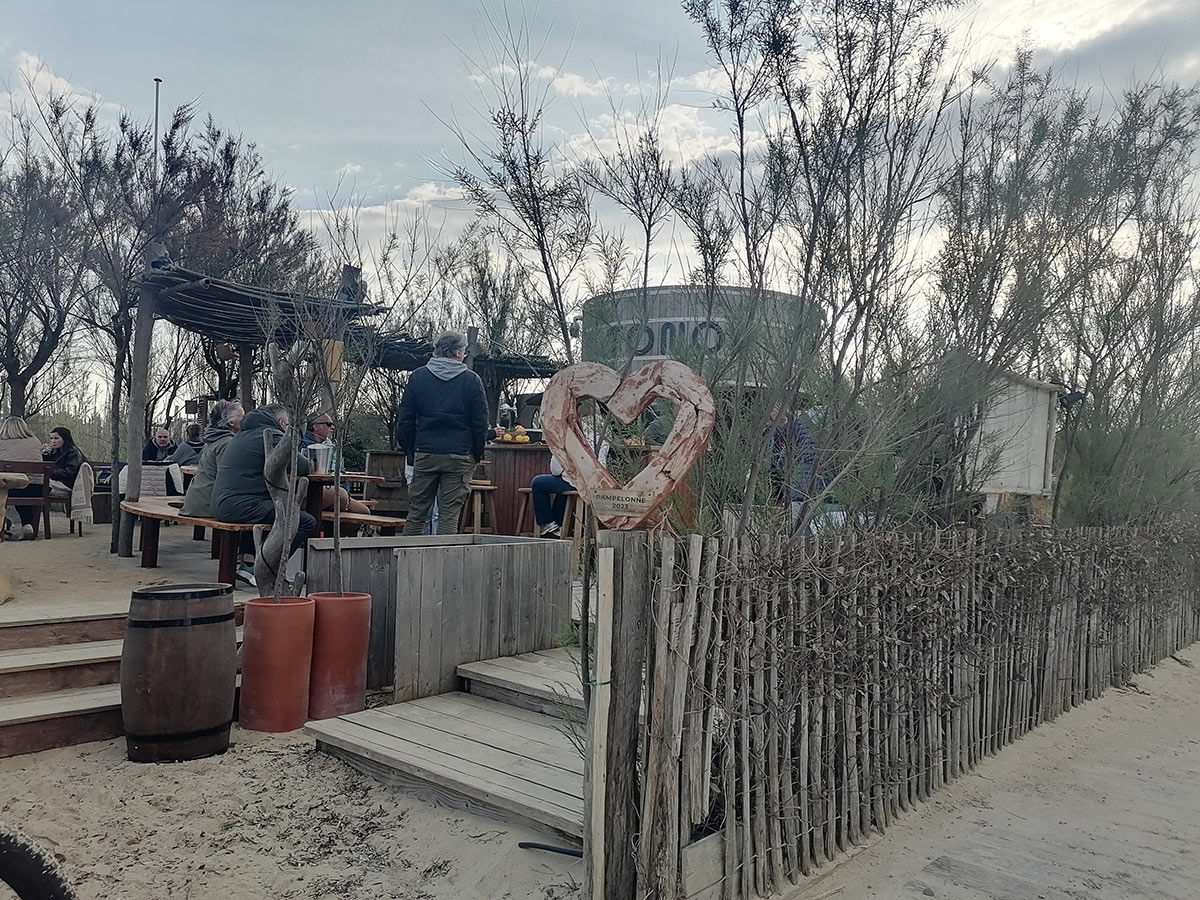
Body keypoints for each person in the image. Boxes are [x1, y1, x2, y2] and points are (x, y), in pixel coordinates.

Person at [398, 331, 490, 536]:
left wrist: (411, 450)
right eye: (464, 351)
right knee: (449, 515)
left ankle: (406, 555)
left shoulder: (419, 377)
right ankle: (445, 556)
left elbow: (405, 420)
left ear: (437, 350)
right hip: (460, 454)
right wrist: (477, 454)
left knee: (416, 513)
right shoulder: (471, 380)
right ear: (458, 353)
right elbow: (480, 423)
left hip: (426, 452)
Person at [211, 404, 315, 586]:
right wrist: (315, 460)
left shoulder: (243, 434)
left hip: (225, 503)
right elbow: (303, 467)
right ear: (281, 423)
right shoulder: (271, 435)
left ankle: (249, 564)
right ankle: (267, 568)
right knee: (303, 521)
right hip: (240, 505)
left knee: (274, 509)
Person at [531, 418, 608, 538]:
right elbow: (603, 465)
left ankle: (548, 523)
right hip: (593, 484)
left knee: (538, 482)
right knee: (562, 489)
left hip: (573, 482)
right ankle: (558, 526)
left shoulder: (564, 437)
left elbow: (555, 470)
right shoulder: (602, 438)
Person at [180, 401, 244, 518]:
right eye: (242, 417)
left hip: (196, 499)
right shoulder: (227, 443)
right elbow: (226, 479)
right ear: (231, 422)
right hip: (208, 504)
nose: (245, 420)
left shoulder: (213, 439)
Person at [300, 412, 372, 515]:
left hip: (331, 490)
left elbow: (340, 471)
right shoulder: (303, 445)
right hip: (311, 491)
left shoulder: (329, 446)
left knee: (364, 511)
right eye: (329, 424)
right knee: (341, 496)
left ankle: (340, 513)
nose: (333, 427)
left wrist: (346, 492)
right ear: (316, 426)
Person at [0, 416, 44, 541]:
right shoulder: (35, 441)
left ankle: (5, 526)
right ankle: (27, 526)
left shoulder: (2, 441)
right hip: (37, 487)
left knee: (5, 487)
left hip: (12, 487)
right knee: (23, 488)